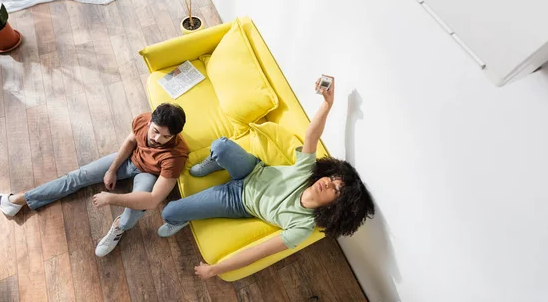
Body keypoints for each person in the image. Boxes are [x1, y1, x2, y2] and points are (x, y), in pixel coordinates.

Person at [96, 76, 375, 279]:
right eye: (334, 178)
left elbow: (259, 252)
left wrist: (215, 268)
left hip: (238, 201)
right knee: (220, 145)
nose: (328, 183)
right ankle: (215, 162)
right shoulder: (307, 173)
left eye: (336, 190)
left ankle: (185, 214)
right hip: (252, 169)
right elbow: (312, 135)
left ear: (334, 207)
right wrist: (328, 104)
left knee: (169, 211)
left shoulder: (302, 226)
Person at [0, 103, 189, 257]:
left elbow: (153, 199)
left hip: (150, 174)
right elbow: (130, 140)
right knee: (77, 176)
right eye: (156, 131)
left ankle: (119, 228)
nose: (157, 139)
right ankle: (15, 201)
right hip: (129, 160)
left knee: (136, 208)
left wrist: (111, 198)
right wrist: (112, 169)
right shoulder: (143, 120)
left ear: (175, 136)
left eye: (165, 137)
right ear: (150, 121)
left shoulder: (175, 157)